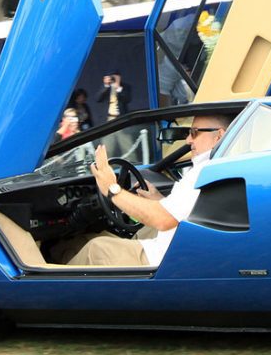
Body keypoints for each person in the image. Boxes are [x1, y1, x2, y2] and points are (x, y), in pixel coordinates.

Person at [62, 112, 231, 266]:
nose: (188, 140)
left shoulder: (205, 171)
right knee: (82, 242)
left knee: (96, 249)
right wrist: (159, 200)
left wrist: (112, 189)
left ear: (219, 136)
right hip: (173, 252)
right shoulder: (221, 169)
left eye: (194, 133)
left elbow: (163, 220)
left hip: (161, 260)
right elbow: (186, 212)